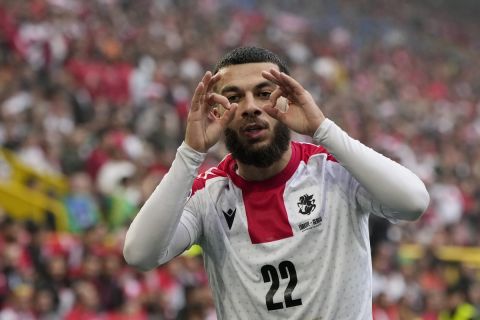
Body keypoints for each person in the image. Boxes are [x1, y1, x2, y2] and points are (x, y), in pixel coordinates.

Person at [123, 46, 430, 319]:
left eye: (263, 93)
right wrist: (190, 153)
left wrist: (322, 128)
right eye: (233, 97)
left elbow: (413, 202)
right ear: (217, 112)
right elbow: (140, 254)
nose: (250, 107)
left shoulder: (334, 170)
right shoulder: (209, 195)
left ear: (288, 99)